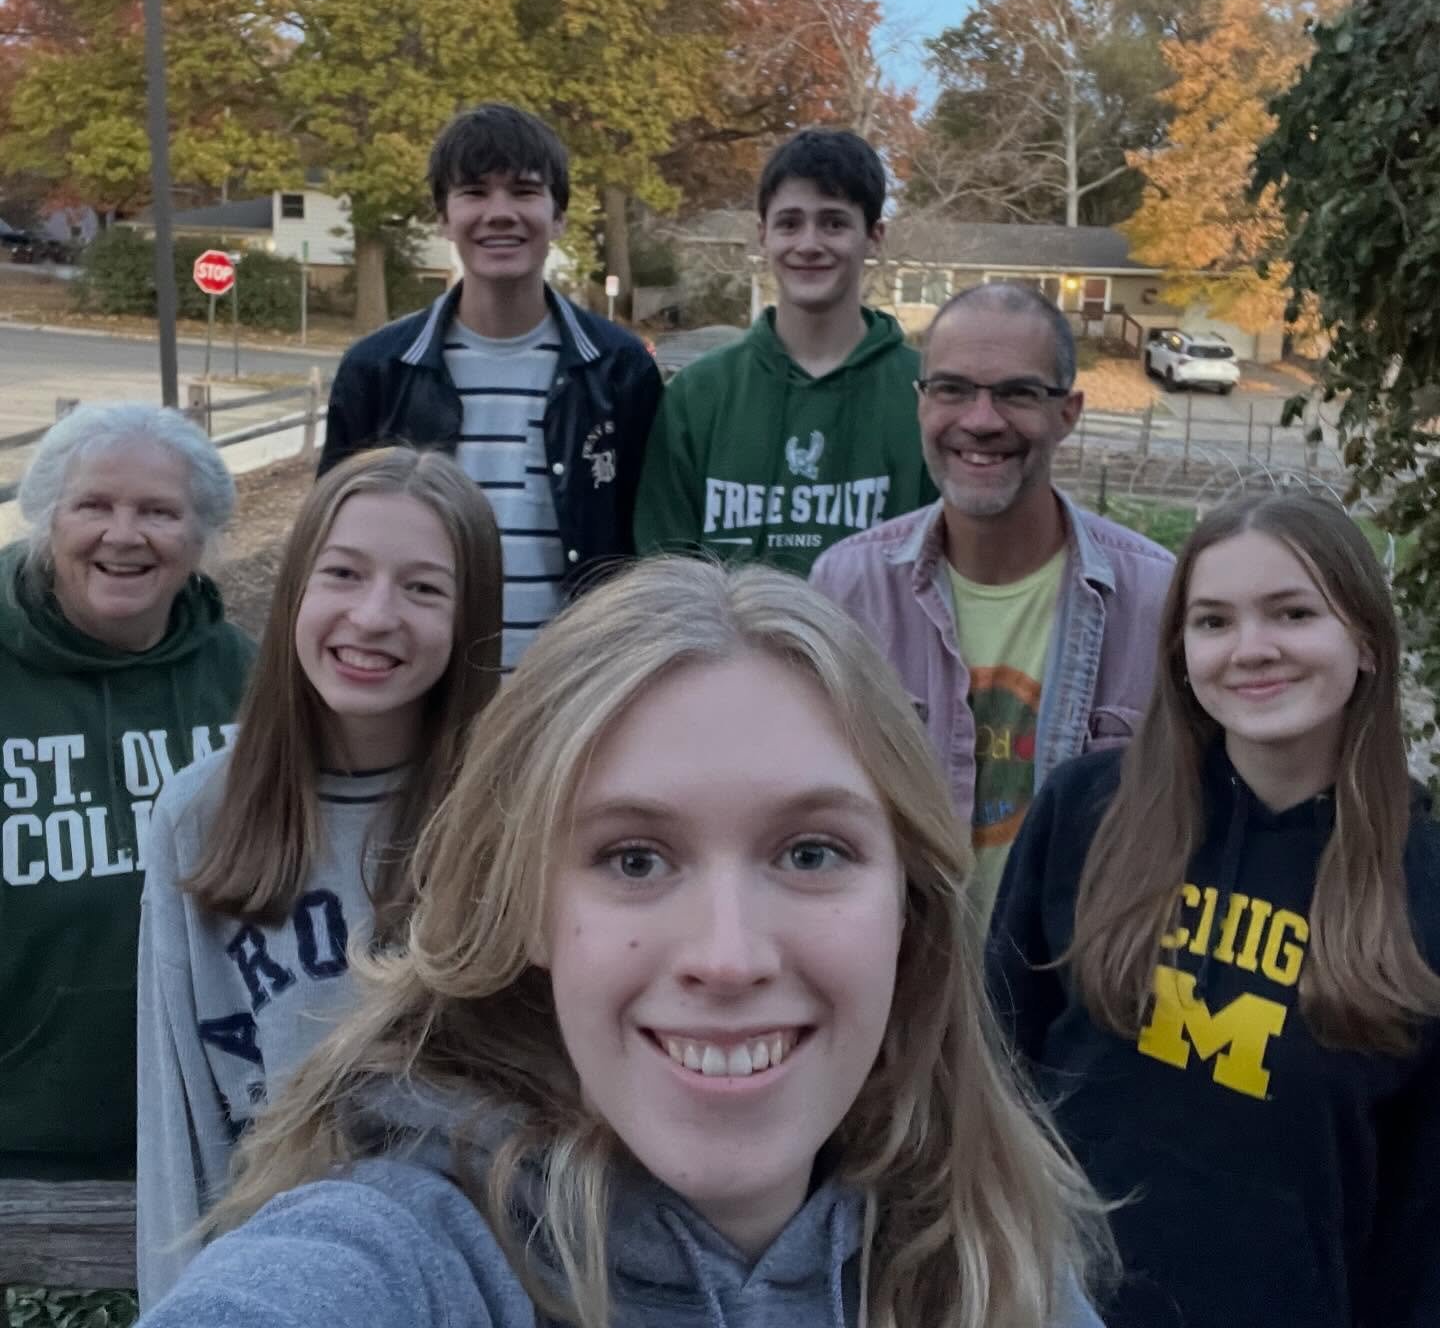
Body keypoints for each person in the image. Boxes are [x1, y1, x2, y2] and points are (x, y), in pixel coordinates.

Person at [136, 558, 1110, 1328]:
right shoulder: (396, 1261)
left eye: (811, 851)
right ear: (525, 910)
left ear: (910, 908)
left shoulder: (990, 1265)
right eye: (635, 859)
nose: (728, 958)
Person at [987, 492, 1440, 1328]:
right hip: (1050, 1305)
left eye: (1293, 613)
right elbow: (990, 1067)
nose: (1251, 650)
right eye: (1213, 622)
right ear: (1180, 652)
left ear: (1367, 640)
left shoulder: (1423, 882)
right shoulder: (1086, 811)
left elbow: (1423, 1231)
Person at [135, 447, 502, 1305]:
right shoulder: (198, 813)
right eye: (344, 572)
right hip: (278, 1274)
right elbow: (179, 1106)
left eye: (423, 588)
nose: (373, 616)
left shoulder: (511, 808)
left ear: (470, 618)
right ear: (297, 585)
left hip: (474, 1279)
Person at [811, 283, 1173, 920]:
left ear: (1069, 412)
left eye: (1017, 393)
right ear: (921, 404)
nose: (981, 420)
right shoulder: (847, 590)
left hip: (1074, 995)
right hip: (902, 986)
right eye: (952, 389)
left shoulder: (1156, 600)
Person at [0, 403, 253, 1186]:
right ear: (47, 519)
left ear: (200, 536)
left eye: (158, 512)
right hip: (20, 1129)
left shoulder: (248, 682)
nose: (123, 534)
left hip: (209, 1128)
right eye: (93, 506)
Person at [318, 102, 662, 668]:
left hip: (568, 691)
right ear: (443, 217)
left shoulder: (618, 369)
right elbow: (332, 548)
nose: (499, 213)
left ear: (558, 218)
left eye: (524, 192)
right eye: (474, 192)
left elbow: (643, 548)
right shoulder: (379, 371)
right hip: (420, 688)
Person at [634, 128, 935, 575]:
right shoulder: (698, 396)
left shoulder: (928, 395)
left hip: (879, 647)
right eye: (789, 223)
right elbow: (663, 576)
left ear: (874, 236)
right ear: (763, 235)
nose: (808, 244)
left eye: (834, 222)